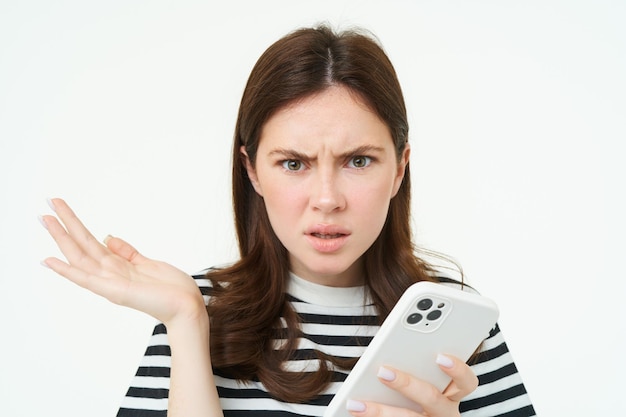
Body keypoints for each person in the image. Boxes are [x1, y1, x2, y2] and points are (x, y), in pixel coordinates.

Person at [40, 25, 536, 417]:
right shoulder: (192, 312)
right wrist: (187, 321)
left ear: (400, 168)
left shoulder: (456, 322)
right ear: (253, 170)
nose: (326, 199)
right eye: (293, 163)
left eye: (358, 160)